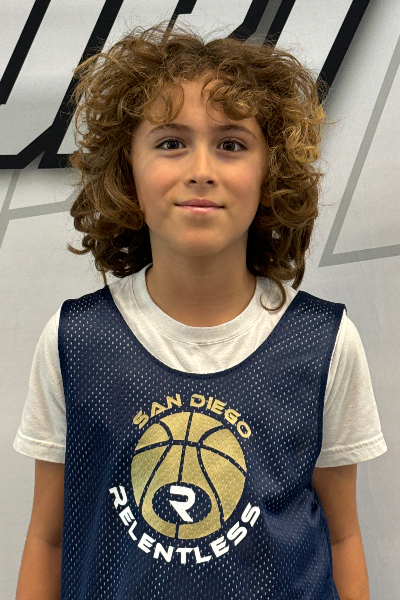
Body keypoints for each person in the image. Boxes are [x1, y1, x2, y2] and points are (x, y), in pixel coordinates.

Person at [14, 20, 387, 600]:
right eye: (171, 142)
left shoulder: (324, 341)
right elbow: (49, 539)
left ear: (269, 172)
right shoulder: (77, 339)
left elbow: (341, 536)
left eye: (231, 144)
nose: (201, 170)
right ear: (127, 171)